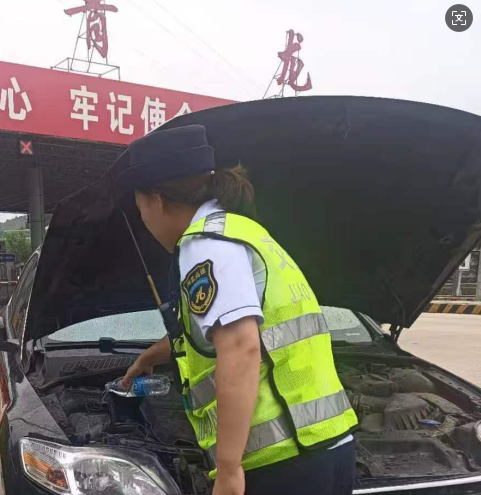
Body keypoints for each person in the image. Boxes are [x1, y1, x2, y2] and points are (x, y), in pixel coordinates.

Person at [118, 124, 358, 495]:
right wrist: (151, 356)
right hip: (327, 444)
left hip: (281, 461)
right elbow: (223, 328)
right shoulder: (242, 230)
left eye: (140, 210)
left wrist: (229, 470)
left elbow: (240, 346)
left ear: (157, 201)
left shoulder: (204, 245)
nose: (144, 221)